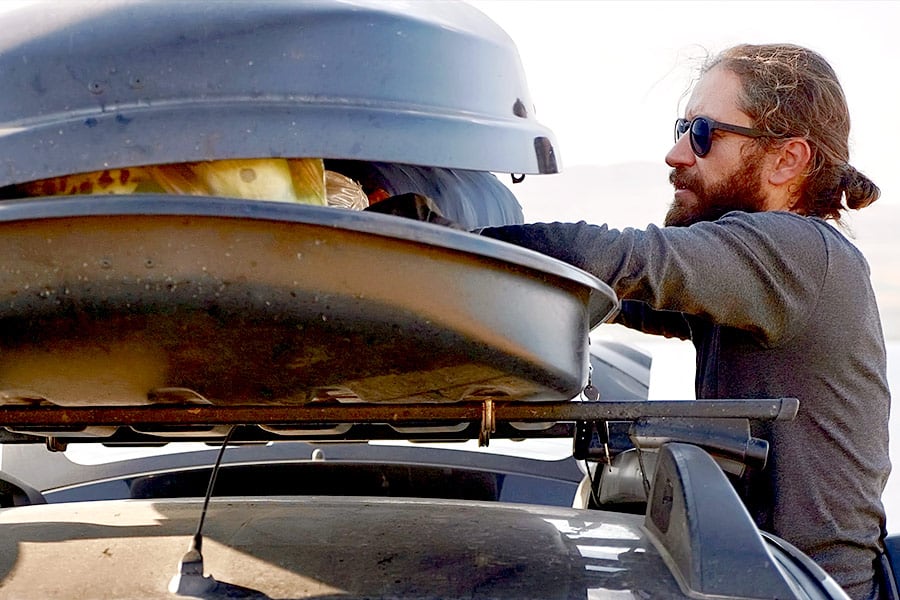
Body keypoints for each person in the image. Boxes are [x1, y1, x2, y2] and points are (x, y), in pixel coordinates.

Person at [478, 43, 891, 600]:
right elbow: (605, 292)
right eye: (681, 127)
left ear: (787, 160)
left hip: (800, 588)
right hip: (760, 577)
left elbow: (616, 259)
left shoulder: (800, 253)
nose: (676, 154)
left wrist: (455, 246)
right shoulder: (757, 277)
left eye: (702, 132)